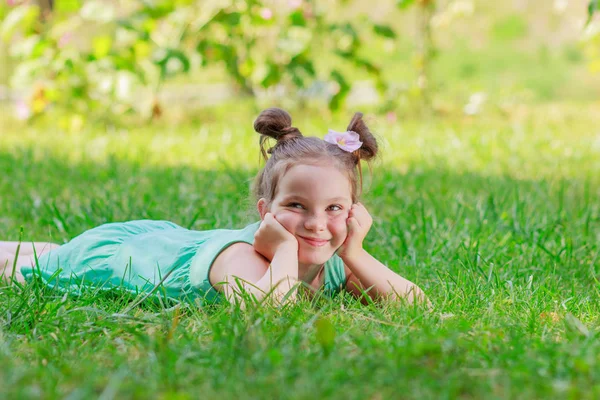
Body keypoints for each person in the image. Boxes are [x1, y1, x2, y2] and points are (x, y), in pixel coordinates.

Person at [0, 108, 427, 306]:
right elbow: (267, 312)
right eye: (297, 205)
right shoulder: (241, 258)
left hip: (167, 241)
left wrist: (354, 251)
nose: (317, 224)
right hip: (127, 258)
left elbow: (415, 307)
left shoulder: (336, 261)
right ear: (266, 211)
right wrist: (281, 252)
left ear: (354, 211)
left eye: (335, 208)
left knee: (44, 250)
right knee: (42, 264)